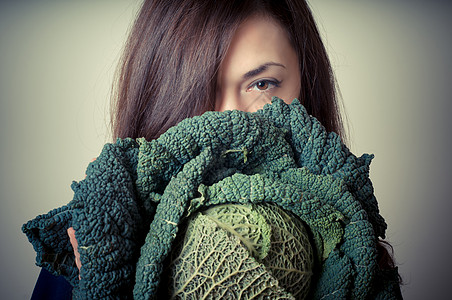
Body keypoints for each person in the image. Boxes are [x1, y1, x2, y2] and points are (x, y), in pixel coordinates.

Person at [29, 0, 400, 298]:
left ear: (307, 85)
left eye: (263, 83)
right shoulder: (88, 250)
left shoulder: (357, 251)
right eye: (197, 90)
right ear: (157, 98)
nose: (229, 119)